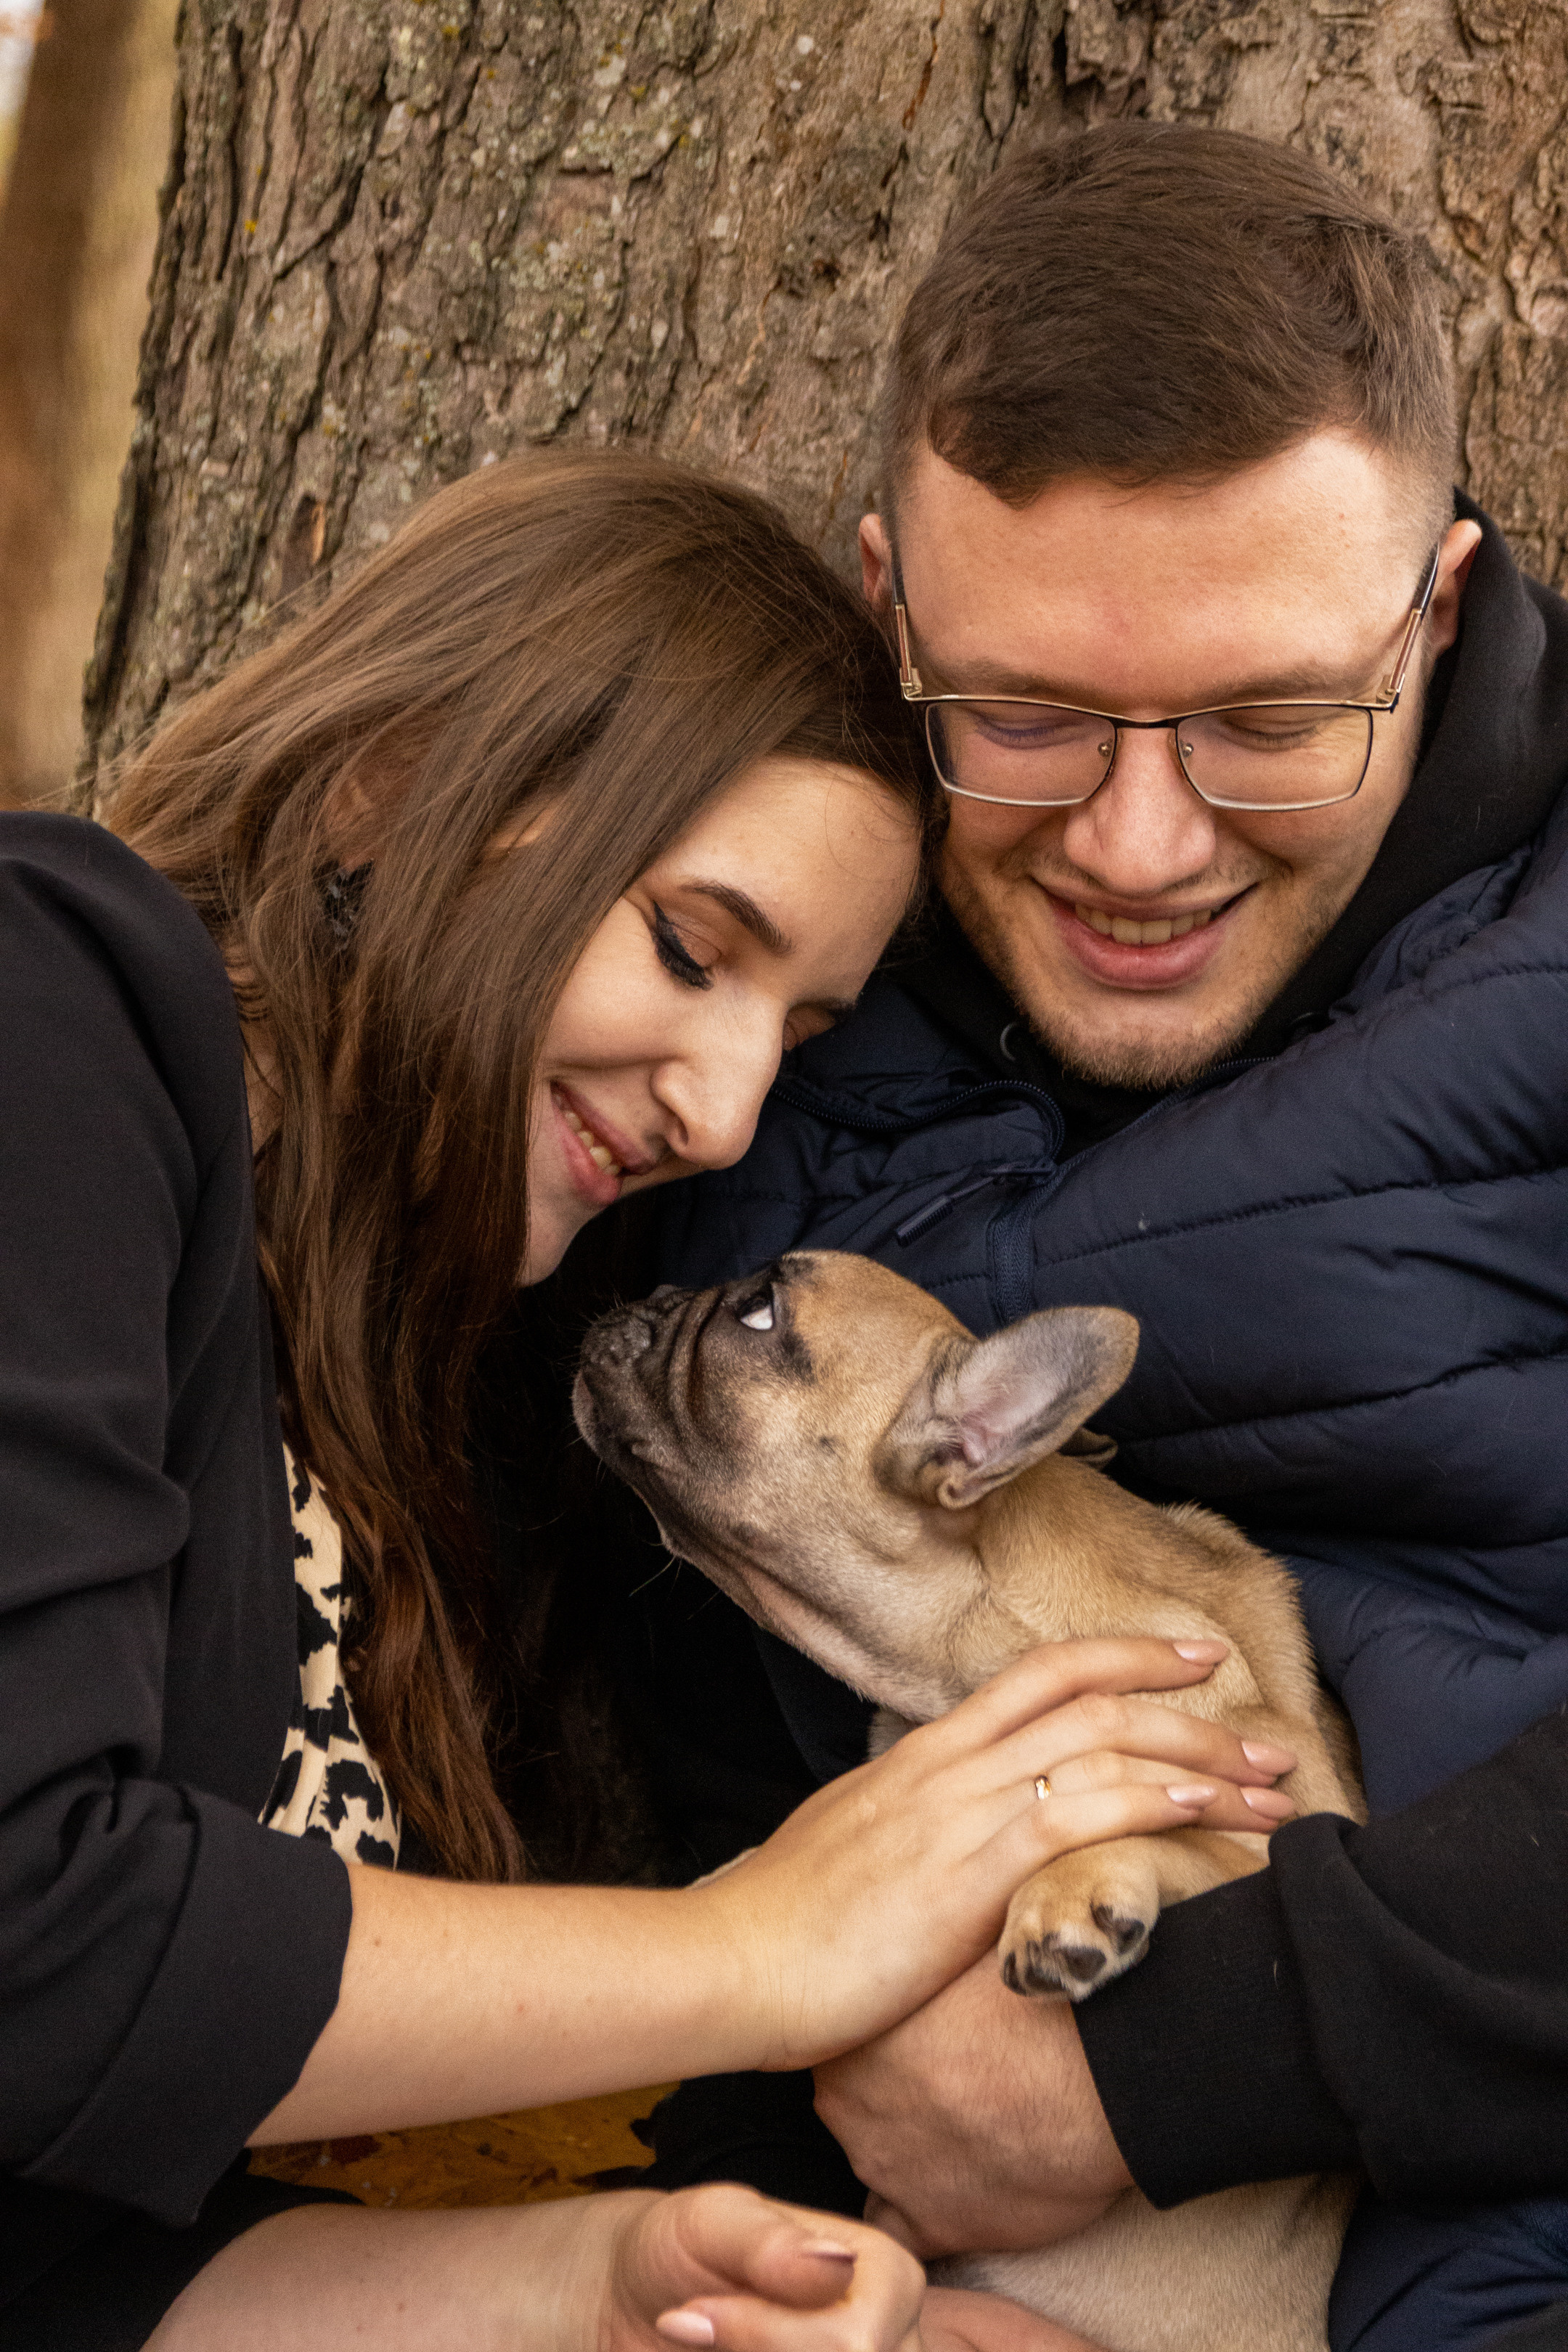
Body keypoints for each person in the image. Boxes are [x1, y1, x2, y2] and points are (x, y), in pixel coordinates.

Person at [0, 448, 1299, 2351]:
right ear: (395, 778)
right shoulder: (60, 997)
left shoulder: (440, 1365)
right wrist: (751, 1951)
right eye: (696, 947)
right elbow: (37, 1945)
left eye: (795, 1032)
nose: (722, 1109)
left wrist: (607, 2283)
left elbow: (73, 2252)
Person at [603, 126, 1568, 2352]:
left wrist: (1196, 2052)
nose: (1139, 844)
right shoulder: (750, 994)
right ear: (889, 605)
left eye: (1267, 720)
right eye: (1021, 715)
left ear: (1432, 611)